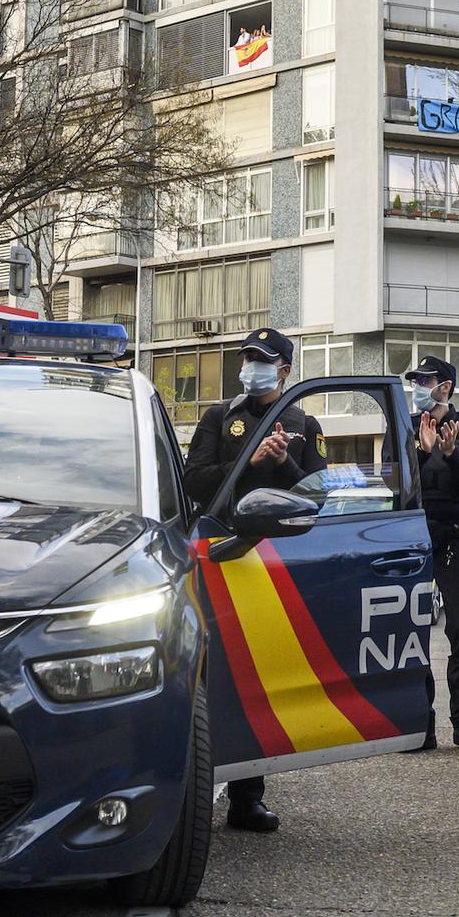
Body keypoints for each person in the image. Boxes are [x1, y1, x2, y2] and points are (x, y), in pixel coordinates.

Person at [182, 326, 328, 832]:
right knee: (208, 670)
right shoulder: (220, 416)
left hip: (276, 564)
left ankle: (248, 795)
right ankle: (191, 784)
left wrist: (283, 459)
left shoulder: (302, 422)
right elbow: (193, 479)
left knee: (259, 675)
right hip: (221, 552)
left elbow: (319, 494)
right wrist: (247, 466)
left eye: (262, 359)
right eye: (247, 357)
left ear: (285, 370)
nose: (251, 365)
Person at [403, 356, 459, 754]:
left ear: (446, 387)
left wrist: (451, 453)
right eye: (415, 380)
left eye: (425, 380)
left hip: (453, 540)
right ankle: (420, 723)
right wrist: (422, 453)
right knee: (412, 634)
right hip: (416, 539)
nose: (418, 386)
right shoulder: (405, 425)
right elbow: (395, 481)